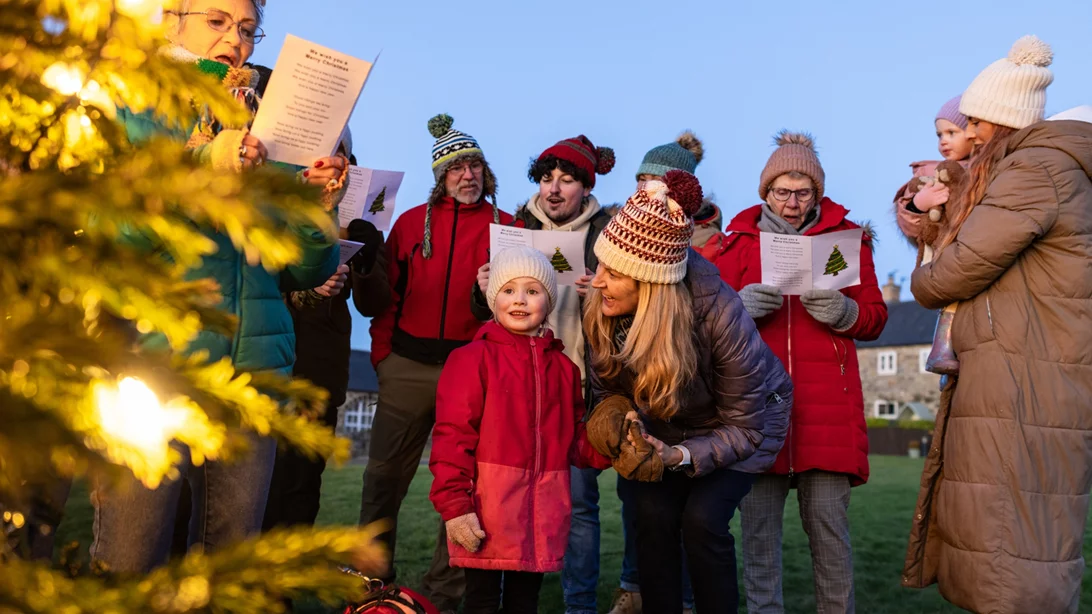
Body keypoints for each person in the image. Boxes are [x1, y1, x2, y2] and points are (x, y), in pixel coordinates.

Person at [90, 0, 341, 573]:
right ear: (173, 20)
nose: (237, 39)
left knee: (230, 571)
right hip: (154, 367)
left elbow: (305, 270)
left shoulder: (265, 123)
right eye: (218, 21)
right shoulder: (136, 105)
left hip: (255, 373)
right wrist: (204, 167)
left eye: (249, 29)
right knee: (132, 560)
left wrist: (312, 206)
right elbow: (115, 236)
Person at [903, 36, 1092, 614]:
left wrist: (929, 264)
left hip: (1019, 384)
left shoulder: (1035, 170)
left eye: (979, 121)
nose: (971, 134)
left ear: (1005, 120)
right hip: (1033, 377)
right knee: (1023, 535)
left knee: (1008, 549)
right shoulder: (1056, 170)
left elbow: (949, 277)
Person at [585, 171, 793, 613]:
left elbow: (747, 428)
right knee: (652, 516)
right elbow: (606, 389)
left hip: (745, 425)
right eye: (600, 265)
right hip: (668, 425)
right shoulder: (604, 309)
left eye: (613, 272)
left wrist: (677, 457)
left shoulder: (719, 313)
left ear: (650, 282)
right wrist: (614, 419)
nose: (597, 280)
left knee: (702, 523)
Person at [719, 131, 888, 613]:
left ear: (817, 192)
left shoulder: (847, 242)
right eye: (782, 192)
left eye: (803, 192)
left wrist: (844, 312)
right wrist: (738, 307)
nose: (792, 204)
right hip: (757, 413)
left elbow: (875, 317)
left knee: (831, 541)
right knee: (758, 543)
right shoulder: (736, 246)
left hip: (826, 414)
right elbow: (704, 327)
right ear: (765, 192)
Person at [362, 114, 513, 612]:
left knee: (462, 487)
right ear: (440, 177)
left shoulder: (508, 229)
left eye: (474, 166)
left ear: (485, 173)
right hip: (406, 363)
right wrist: (383, 357)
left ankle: (443, 593)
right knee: (384, 477)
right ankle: (371, 584)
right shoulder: (409, 224)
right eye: (455, 169)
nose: (466, 175)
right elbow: (388, 298)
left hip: (471, 373)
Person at [467, 135, 615, 614]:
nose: (554, 189)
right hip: (519, 384)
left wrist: (607, 298)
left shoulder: (607, 234)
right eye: (547, 178)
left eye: (566, 180)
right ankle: (497, 590)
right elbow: (486, 312)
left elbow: (634, 313)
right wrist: (482, 288)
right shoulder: (514, 226)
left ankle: (579, 604)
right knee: (506, 496)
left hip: (579, 377)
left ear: (584, 186)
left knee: (580, 502)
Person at [430, 246, 610, 614]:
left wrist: (610, 445)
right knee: (481, 601)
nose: (520, 300)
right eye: (509, 290)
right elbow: (452, 437)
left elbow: (573, 442)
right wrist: (454, 506)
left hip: (543, 512)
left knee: (524, 601)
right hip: (486, 511)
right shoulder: (471, 359)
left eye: (532, 291)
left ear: (549, 300)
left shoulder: (563, 368)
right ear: (493, 296)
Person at [602, 132, 711, 614]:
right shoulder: (621, 228)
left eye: (661, 181)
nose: (650, 189)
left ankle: (684, 597)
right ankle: (635, 586)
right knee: (638, 496)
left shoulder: (702, 241)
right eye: (643, 179)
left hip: (688, 396)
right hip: (638, 387)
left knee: (689, 513)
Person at [636, 131, 725, 265]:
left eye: (657, 180)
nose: (647, 186)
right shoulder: (619, 225)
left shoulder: (708, 240)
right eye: (642, 179)